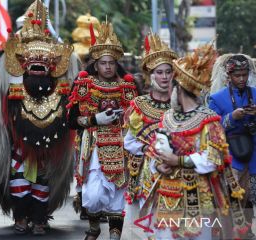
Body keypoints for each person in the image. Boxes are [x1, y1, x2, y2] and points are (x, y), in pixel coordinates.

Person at [0, 0, 75, 235]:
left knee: (42, 181)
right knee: (19, 181)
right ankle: (21, 217)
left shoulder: (59, 72)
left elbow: (69, 70)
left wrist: (57, 40)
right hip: (18, 139)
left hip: (48, 139)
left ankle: (40, 219)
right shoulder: (10, 67)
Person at [142, 44, 250, 239]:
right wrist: (158, 166)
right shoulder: (167, 118)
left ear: (179, 90)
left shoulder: (208, 120)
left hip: (198, 197)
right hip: (168, 195)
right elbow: (154, 153)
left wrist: (178, 161)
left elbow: (215, 158)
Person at [67, 20, 138, 240]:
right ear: (95, 65)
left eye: (112, 63)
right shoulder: (84, 85)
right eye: (103, 63)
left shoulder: (128, 87)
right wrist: (94, 119)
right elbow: (71, 120)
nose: (108, 67)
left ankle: (115, 234)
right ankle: (95, 227)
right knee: (93, 194)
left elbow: (137, 118)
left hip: (120, 144)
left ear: (117, 64)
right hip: (94, 146)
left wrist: (125, 120)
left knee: (118, 194)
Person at [123, 32, 177, 210]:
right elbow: (129, 142)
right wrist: (147, 148)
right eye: (159, 72)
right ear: (150, 75)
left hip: (178, 169)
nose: (164, 77)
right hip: (148, 170)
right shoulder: (140, 104)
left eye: (168, 72)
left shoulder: (182, 104)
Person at [209, 53, 256, 239]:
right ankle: (225, 233)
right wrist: (230, 118)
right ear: (229, 76)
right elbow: (210, 128)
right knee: (227, 198)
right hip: (229, 156)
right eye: (238, 75)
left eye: (245, 74)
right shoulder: (217, 98)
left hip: (252, 153)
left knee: (248, 198)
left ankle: (247, 231)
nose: (242, 79)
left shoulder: (255, 93)